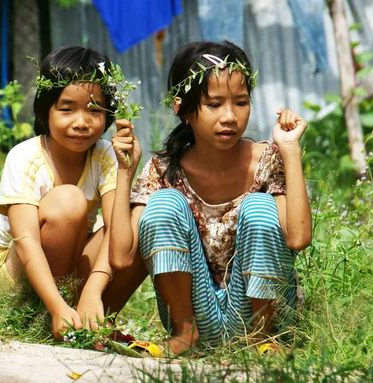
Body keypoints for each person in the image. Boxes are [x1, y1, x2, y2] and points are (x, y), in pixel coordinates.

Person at [110, 41, 312, 355]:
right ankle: (184, 335)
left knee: (259, 206)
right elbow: (122, 258)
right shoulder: (164, 170)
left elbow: (298, 238)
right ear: (183, 110)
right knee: (164, 204)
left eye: (241, 102)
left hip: (258, 314)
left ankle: (261, 338)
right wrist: (126, 171)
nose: (230, 116)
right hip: (194, 313)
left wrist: (289, 150)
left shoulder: (268, 161)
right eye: (214, 104)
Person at [0, 46, 145, 340]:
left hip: (70, 267)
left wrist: (125, 172)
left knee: (140, 218)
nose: (81, 122)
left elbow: (120, 246)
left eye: (94, 110)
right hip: (17, 275)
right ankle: (46, 318)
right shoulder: (25, 157)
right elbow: (27, 241)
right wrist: (57, 306)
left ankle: (90, 322)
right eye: (67, 109)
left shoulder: (107, 156)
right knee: (68, 201)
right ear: (46, 110)